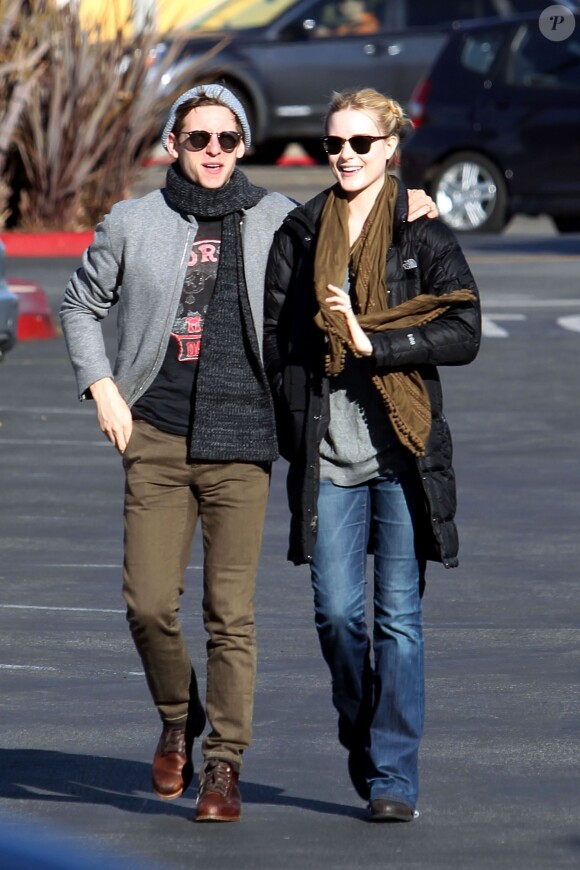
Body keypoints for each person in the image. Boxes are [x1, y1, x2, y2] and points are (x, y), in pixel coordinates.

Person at [60, 83, 436, 824]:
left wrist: (409, 198)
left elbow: (353, 211)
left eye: (226, 140)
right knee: (147, 604)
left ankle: (222, 766)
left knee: (230, 614)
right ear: (174, 144)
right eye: (197, 138)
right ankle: (178, 713)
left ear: (242, 147)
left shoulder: (278, 217)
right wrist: (101, 386)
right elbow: (79, 303)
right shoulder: (133, 221)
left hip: (244, 442)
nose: (212, 152)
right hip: (158, 435)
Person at [264, 88, 481, 823]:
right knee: (336, 616)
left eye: (361, 143)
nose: (346, 156)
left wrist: (374, 345)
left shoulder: (420, 233)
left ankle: (393, 777)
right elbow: (277, 339)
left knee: (399, 624)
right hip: (327, 459)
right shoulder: (300, 229)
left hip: (401, 459)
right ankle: (361, 731)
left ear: (391, 148)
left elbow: (464, 329)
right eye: (334, 145)